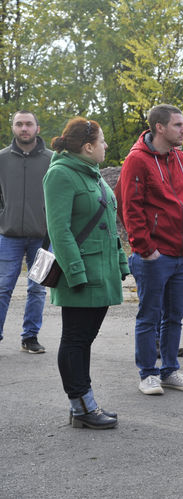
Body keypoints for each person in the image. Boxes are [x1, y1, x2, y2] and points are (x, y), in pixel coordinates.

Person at [44, 117, 129, 429]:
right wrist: (76, 272)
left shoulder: (93, 175)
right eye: (102, 141)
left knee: (84, 340)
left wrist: (121, 262)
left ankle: (85, 403)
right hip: (79, 275)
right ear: (88, 146)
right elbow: (59, 230)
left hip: (101, 272)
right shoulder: (60, 175)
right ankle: (81, 407)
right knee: (76, 340)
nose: (106, 146)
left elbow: (109, 225)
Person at [118, 104, 183, 396]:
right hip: (154, 257)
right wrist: (146, 249)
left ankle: (169, 370)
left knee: (174, 317)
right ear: (159, 127)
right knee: (149, 316)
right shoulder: (137, 161)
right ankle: (148, 374)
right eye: (178, 125)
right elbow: (131, 208)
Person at [0, 111, 52, 354]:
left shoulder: (52, 160)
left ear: (37, 128)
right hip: (8, 236)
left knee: (37, 288)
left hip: (42, 238)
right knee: (2, 288)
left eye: (28, 124)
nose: (24, 128)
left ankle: (30, 337)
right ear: (13, 128)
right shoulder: (1, 159)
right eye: (19, 124)